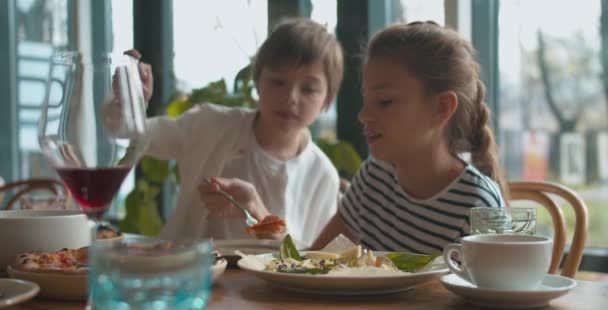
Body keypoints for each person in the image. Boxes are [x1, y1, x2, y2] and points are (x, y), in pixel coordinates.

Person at [210, 21, 507, 255]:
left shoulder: (481, 205)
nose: (364, 115)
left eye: (385, 102)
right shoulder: (373, 178)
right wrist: (260, 214)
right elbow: (316, 262)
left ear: (441, 108)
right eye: (366, 100)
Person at [113, 18, 344, 247]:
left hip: (267, 285)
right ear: (257, 81)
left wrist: (258, 211)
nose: (291, 97)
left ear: (327, 99)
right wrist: (131, 103)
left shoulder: (322, 176)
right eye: (278, 82)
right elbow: (132, 133)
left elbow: (313, 261)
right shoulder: (211, 125)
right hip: (183, 273)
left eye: (309, 89)